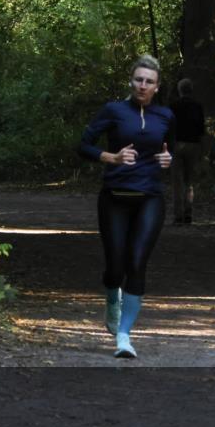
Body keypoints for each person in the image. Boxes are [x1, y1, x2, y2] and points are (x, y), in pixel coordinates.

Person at [77, 55, 174, 358]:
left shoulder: (166, 116)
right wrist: (111, 157)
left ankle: (124, 336)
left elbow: (169, 151)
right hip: (115, 196)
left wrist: (168, 160)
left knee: (136, 263)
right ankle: (110, 299)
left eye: (149, 81)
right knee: (115, 266)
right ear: (131, 81)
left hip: (150, 197)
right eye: (138, 80)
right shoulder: (114, 110)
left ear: (157, 87)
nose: (142, 85)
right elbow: (84, 145)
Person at [169, 78, 205, 224]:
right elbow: (201, 128)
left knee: (177, 182)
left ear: (180, 90)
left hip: (177, 144)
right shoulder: (198, 106)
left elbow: (168, 126)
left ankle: (178, 216)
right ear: (191, 90)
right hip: (193, 145)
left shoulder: (174, 106)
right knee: (190, 181)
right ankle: (188, 214)